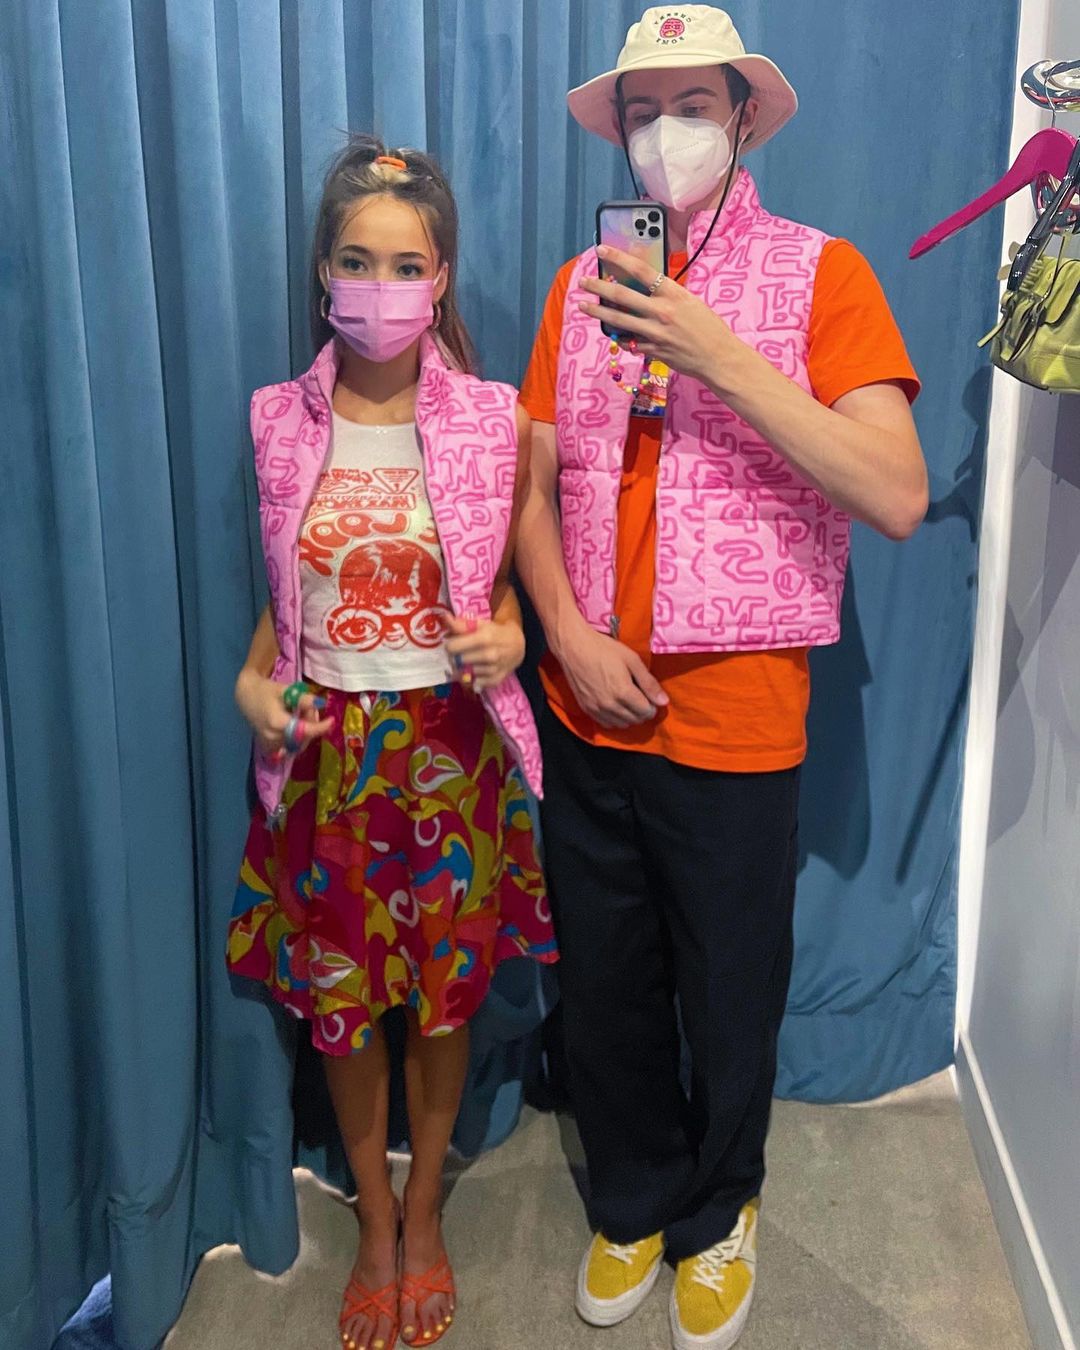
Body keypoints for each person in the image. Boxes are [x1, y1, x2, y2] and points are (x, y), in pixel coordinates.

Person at [515, 8, 927, 1349]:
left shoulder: (823, 276)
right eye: (641, 112)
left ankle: (718, 1208)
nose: (664, 134)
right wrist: (566, 632)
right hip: (588, 703)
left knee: (730, 986)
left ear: (745, 117)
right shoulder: (581, 288)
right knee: (607, 981)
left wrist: (718, 355)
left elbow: (896, 490)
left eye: (693, 105)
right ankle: (634, 1195)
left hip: (737, 718)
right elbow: (532, 482)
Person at [227, 135, 556, 1350]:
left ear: (442, 277)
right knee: (347, 1011)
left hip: (450, 751)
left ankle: (426, 1213)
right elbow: (284, 601)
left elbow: (502, 593)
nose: (380, 285)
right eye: (357, 260)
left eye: (406, 264)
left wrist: (511, 638)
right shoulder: (278, 420)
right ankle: (374, 1219)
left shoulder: (492, 420)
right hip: (330, 757)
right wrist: (252, 689)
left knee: (443, 1004)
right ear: (324, 270)